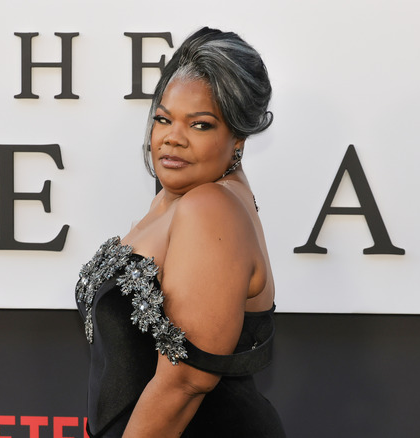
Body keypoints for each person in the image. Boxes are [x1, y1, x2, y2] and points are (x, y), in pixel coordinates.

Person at [76, 27, 286, 437]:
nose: (172, 138)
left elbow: (186, 382)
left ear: (238, 137)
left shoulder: (210, 207)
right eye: (163, 119)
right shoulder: (178, 195)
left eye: (201, 125)